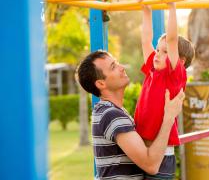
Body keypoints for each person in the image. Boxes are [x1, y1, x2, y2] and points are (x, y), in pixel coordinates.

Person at [76, 50, 185, 180]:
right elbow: (151, 165)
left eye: (117, 63)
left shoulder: (109, 111)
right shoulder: (112, 115)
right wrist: (169, 118)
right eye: (113, 67)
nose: (121, 67)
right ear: (101, 83)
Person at [134, 3, 194, 179]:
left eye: (164, 51)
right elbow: (145, 40)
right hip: (141, 151)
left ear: (180, 61)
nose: (157, 54)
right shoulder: (152, 70)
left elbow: (172, 40)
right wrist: (146, 10)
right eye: (158, 50)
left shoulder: (174, 76)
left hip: (160, 156)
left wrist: (171, 6)